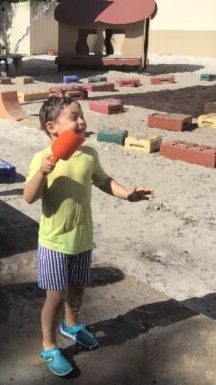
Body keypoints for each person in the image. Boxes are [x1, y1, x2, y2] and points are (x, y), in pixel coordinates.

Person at [23, 96, 153, 376]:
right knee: (56, 296)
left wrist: (128, 194)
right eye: (73, 117)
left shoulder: (89, 154)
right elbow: (29, 197)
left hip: (81, 238)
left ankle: (71, 325)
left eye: (81, 115)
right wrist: (43, 172)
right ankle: (49, 344)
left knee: (77, 289)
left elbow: (104, 181)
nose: (81, 120)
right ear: (52, 127)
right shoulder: (42, 159)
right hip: (54, 242)